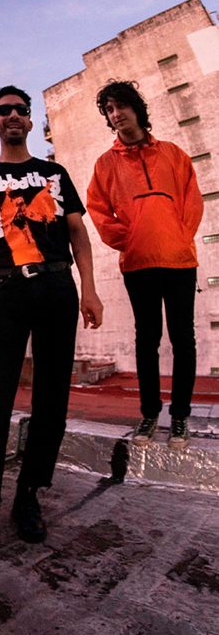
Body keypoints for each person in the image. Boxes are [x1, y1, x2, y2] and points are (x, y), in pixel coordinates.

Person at [0, 86, 103, 572]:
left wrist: (89, 289)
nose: (13, 116)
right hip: (6, 290)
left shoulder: (55, 174)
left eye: (21, 110)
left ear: (29, 121)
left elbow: (77, 233)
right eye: (3, 110)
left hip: (57, 288)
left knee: (52, 400)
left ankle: (28, 495)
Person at [87, 80, 203, 450]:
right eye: (109, 109)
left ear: (137, 108)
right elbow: (98, 211)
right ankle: (150, 414)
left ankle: (180, 417)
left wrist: (179, 236)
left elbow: (192, 200)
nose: (116, 114)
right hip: (138, 264)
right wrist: (129, 239)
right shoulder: (105, 164)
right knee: (147, 339)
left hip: (180, 260)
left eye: (121, 105)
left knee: (183, 338)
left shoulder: (173, 154)